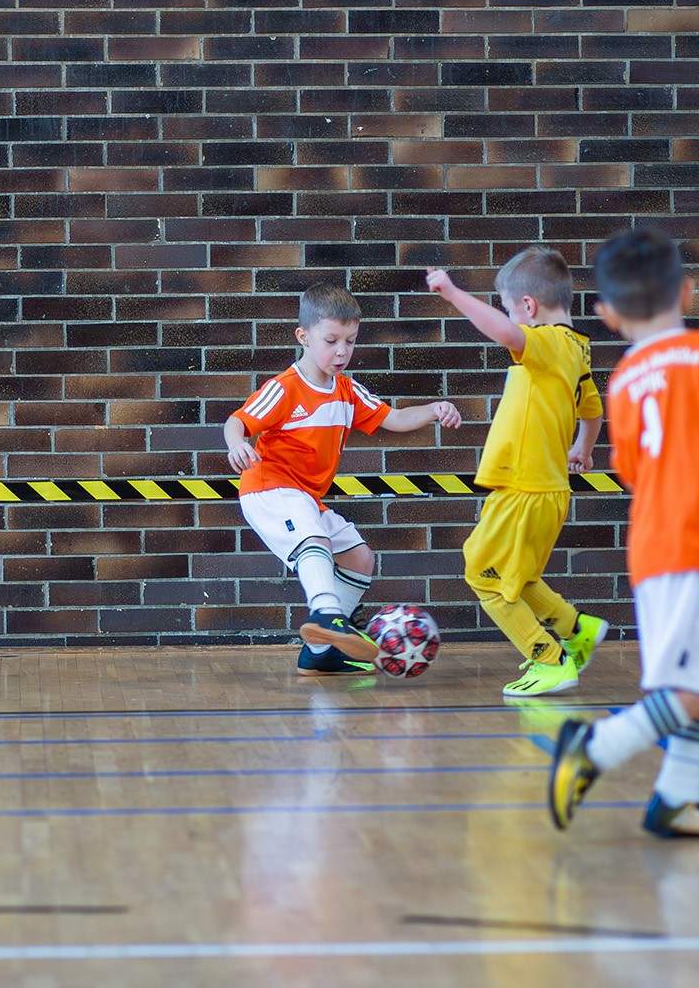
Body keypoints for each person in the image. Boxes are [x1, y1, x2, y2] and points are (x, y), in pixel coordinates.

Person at [547, 227, 699, 838]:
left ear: (606, 314)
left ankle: (676, 799)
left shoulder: (625, 379)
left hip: (656, 546)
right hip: (696, 546)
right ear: (686, 292)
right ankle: (596, 747)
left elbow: (632, 469)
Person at [224, 282, 461, 676]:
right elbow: (237, 421)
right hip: (269, 488)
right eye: (331, 340)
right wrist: (236, 444)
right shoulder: (285, 388)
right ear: (303, 336)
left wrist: (435, 409)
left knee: (359, 557)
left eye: (350, 341)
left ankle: (320, 652)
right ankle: (327, 614)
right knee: (314, 540)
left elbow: (395, 418)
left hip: (305, 498)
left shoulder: (348, 392)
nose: (342, 351)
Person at [425, 247, 609, 697]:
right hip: (546, 489)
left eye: (509, 308)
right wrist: (583, 449)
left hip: (525, 486)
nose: (510, 320)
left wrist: (452, 293)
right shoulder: (578, 349)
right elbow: (592, 410)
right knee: (515, 575)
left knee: (483, 572)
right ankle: (576, 628)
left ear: (528, 306)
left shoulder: (547, 341)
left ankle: (548, 660)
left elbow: (508, 333)